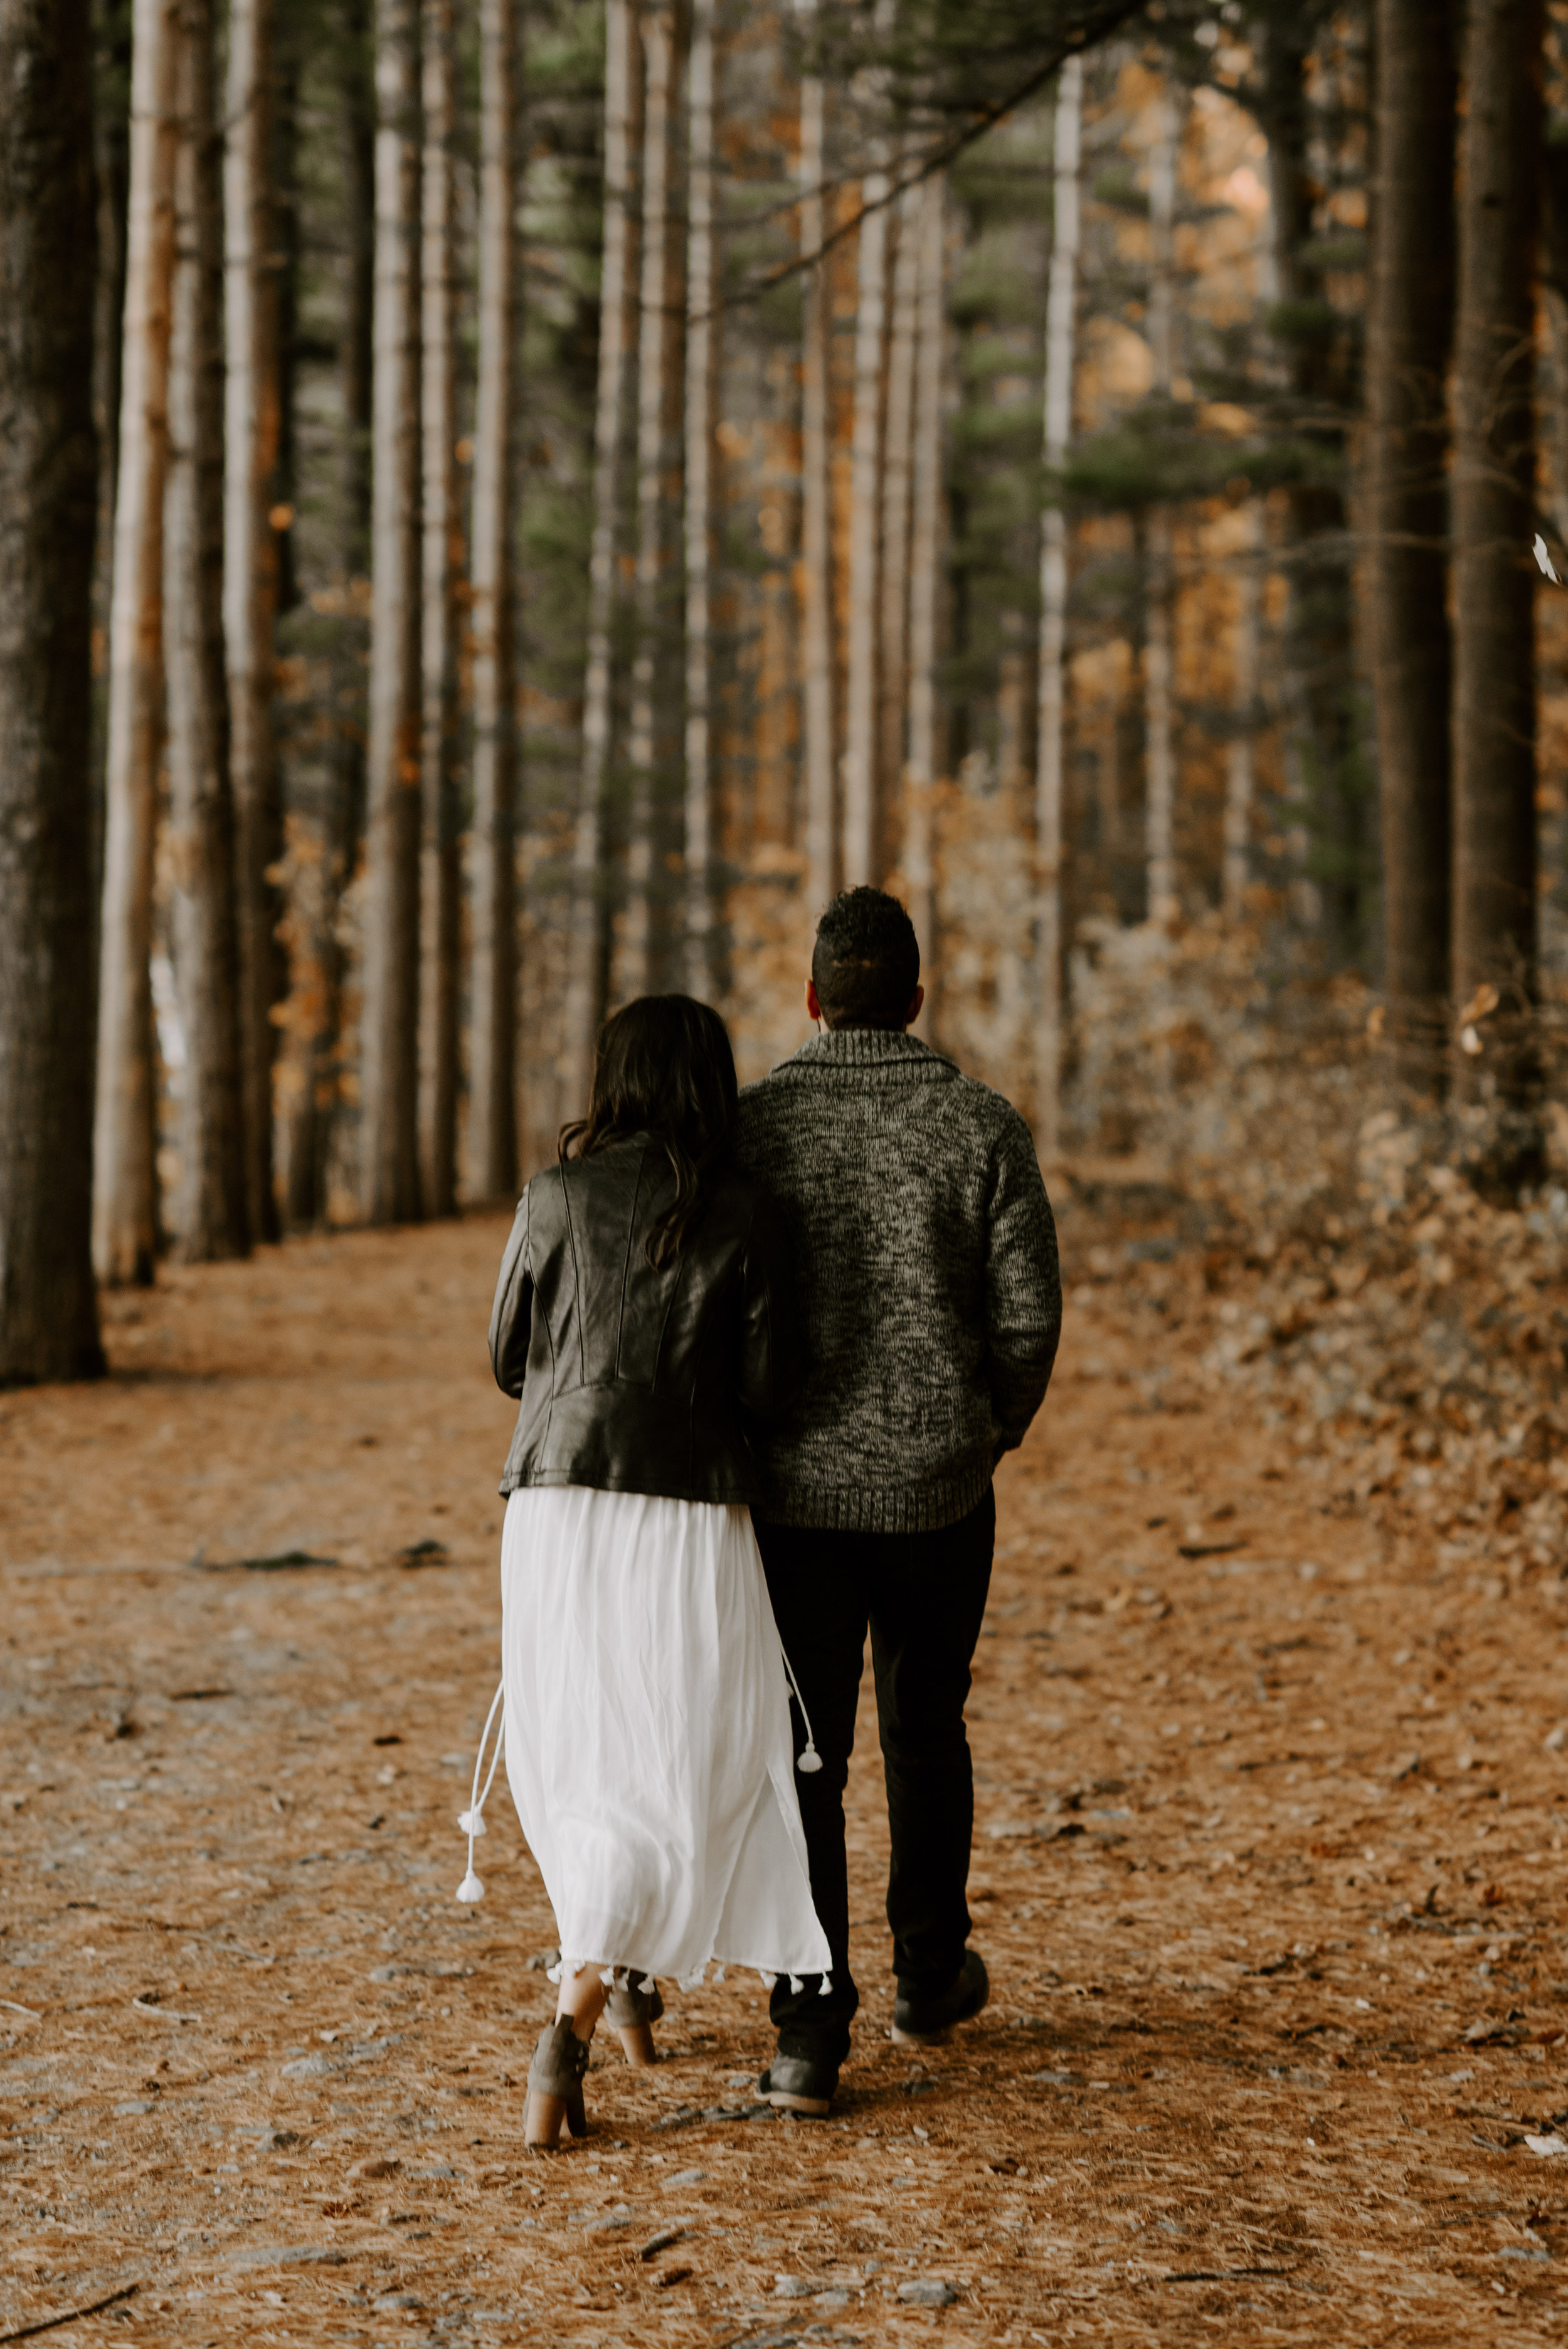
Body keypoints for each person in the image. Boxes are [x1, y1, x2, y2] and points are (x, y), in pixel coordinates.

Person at [479, 995, 831, 2150]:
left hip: (556, 1506)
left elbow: (505, 1357)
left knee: (585, 1757)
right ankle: (576, 2010)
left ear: (611, 1078)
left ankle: (624, 1976)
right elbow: (777, 1390)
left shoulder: (552, 1197)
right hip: (686, 1513)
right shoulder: (748, 1211)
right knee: (684, 1763)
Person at [736, 887, 1061, 2117]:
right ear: (915, 1002)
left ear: (813, 999)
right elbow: (1026, 1315)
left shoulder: (753, 1127)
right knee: (926, 1733)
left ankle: (808, 2032)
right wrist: (987, 1435)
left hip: (791, 1498)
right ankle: (929, 1976)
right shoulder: (980, 1125)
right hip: (939, 1492)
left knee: (804, 1757)